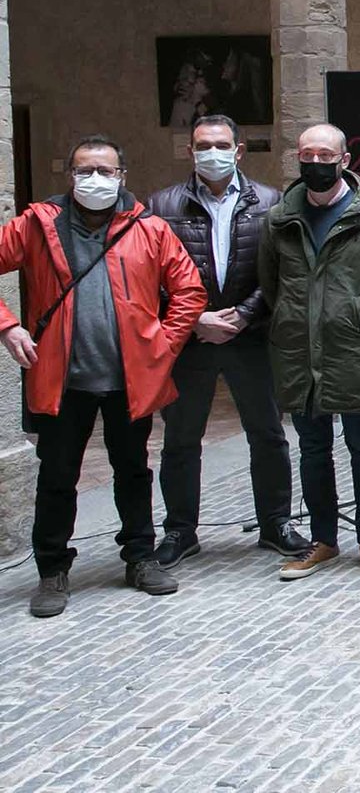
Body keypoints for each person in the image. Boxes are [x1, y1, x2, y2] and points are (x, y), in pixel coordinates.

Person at [1, 135, 206, 618]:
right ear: (70, 177)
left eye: (105, 171)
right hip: (61, 378)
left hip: (128, 381)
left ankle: (139, 558)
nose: (95, 179)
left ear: (122, 176)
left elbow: (189, 290)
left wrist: (163, 344)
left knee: (133, 472)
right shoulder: (38, 225)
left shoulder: (149, 229)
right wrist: (8, 327)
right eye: (84, 170)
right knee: (56, 478)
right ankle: (52, 570)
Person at [148, 114, 308, 568]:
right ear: (189, 151)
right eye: (203, 145)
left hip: (251, 336)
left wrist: (242, 314)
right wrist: (195, 318)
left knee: (268, 433)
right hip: (189, 339)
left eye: (221, 144)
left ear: (238, 151)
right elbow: (149, 275)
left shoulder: (272, 202)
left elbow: (280, 271)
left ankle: (275, 523)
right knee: (181, 438)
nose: (211, 152)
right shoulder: (162, 204)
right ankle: (180, 530)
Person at [261, 123, 360, 581]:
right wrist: (295, 319)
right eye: (307, 155)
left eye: (325, 155)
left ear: (344, 160)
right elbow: (272, 284)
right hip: (298, 351)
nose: (315, 163)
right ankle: (323, 540)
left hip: (354, 349)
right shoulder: (280, 217)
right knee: (312, 448)